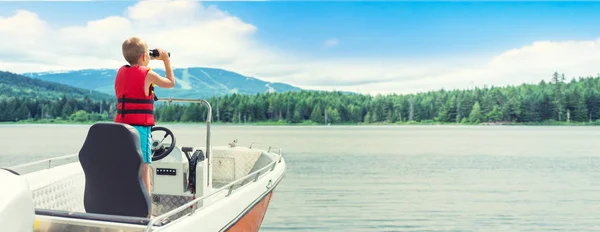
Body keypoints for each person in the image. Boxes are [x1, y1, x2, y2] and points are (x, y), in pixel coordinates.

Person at [113, 37, 175, 209]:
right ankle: (146, 211)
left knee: (126, 165)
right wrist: (166, 60)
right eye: (148, 53)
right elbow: (171, 83)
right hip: (139, 129)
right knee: (144, 168)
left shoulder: (120, 72)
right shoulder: (148, 74)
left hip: (120, 128)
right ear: (143, 56)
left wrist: (145, 59)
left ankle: (123, 204)